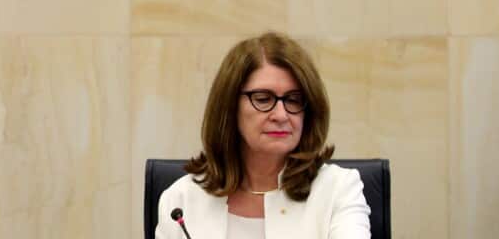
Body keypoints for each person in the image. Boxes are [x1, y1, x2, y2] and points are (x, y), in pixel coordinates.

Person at [155, 32, 370, 239]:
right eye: (263, 98)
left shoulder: (338, 190)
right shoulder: (181, 200)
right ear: (230, 106)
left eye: (293, 99)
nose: (281, 115)